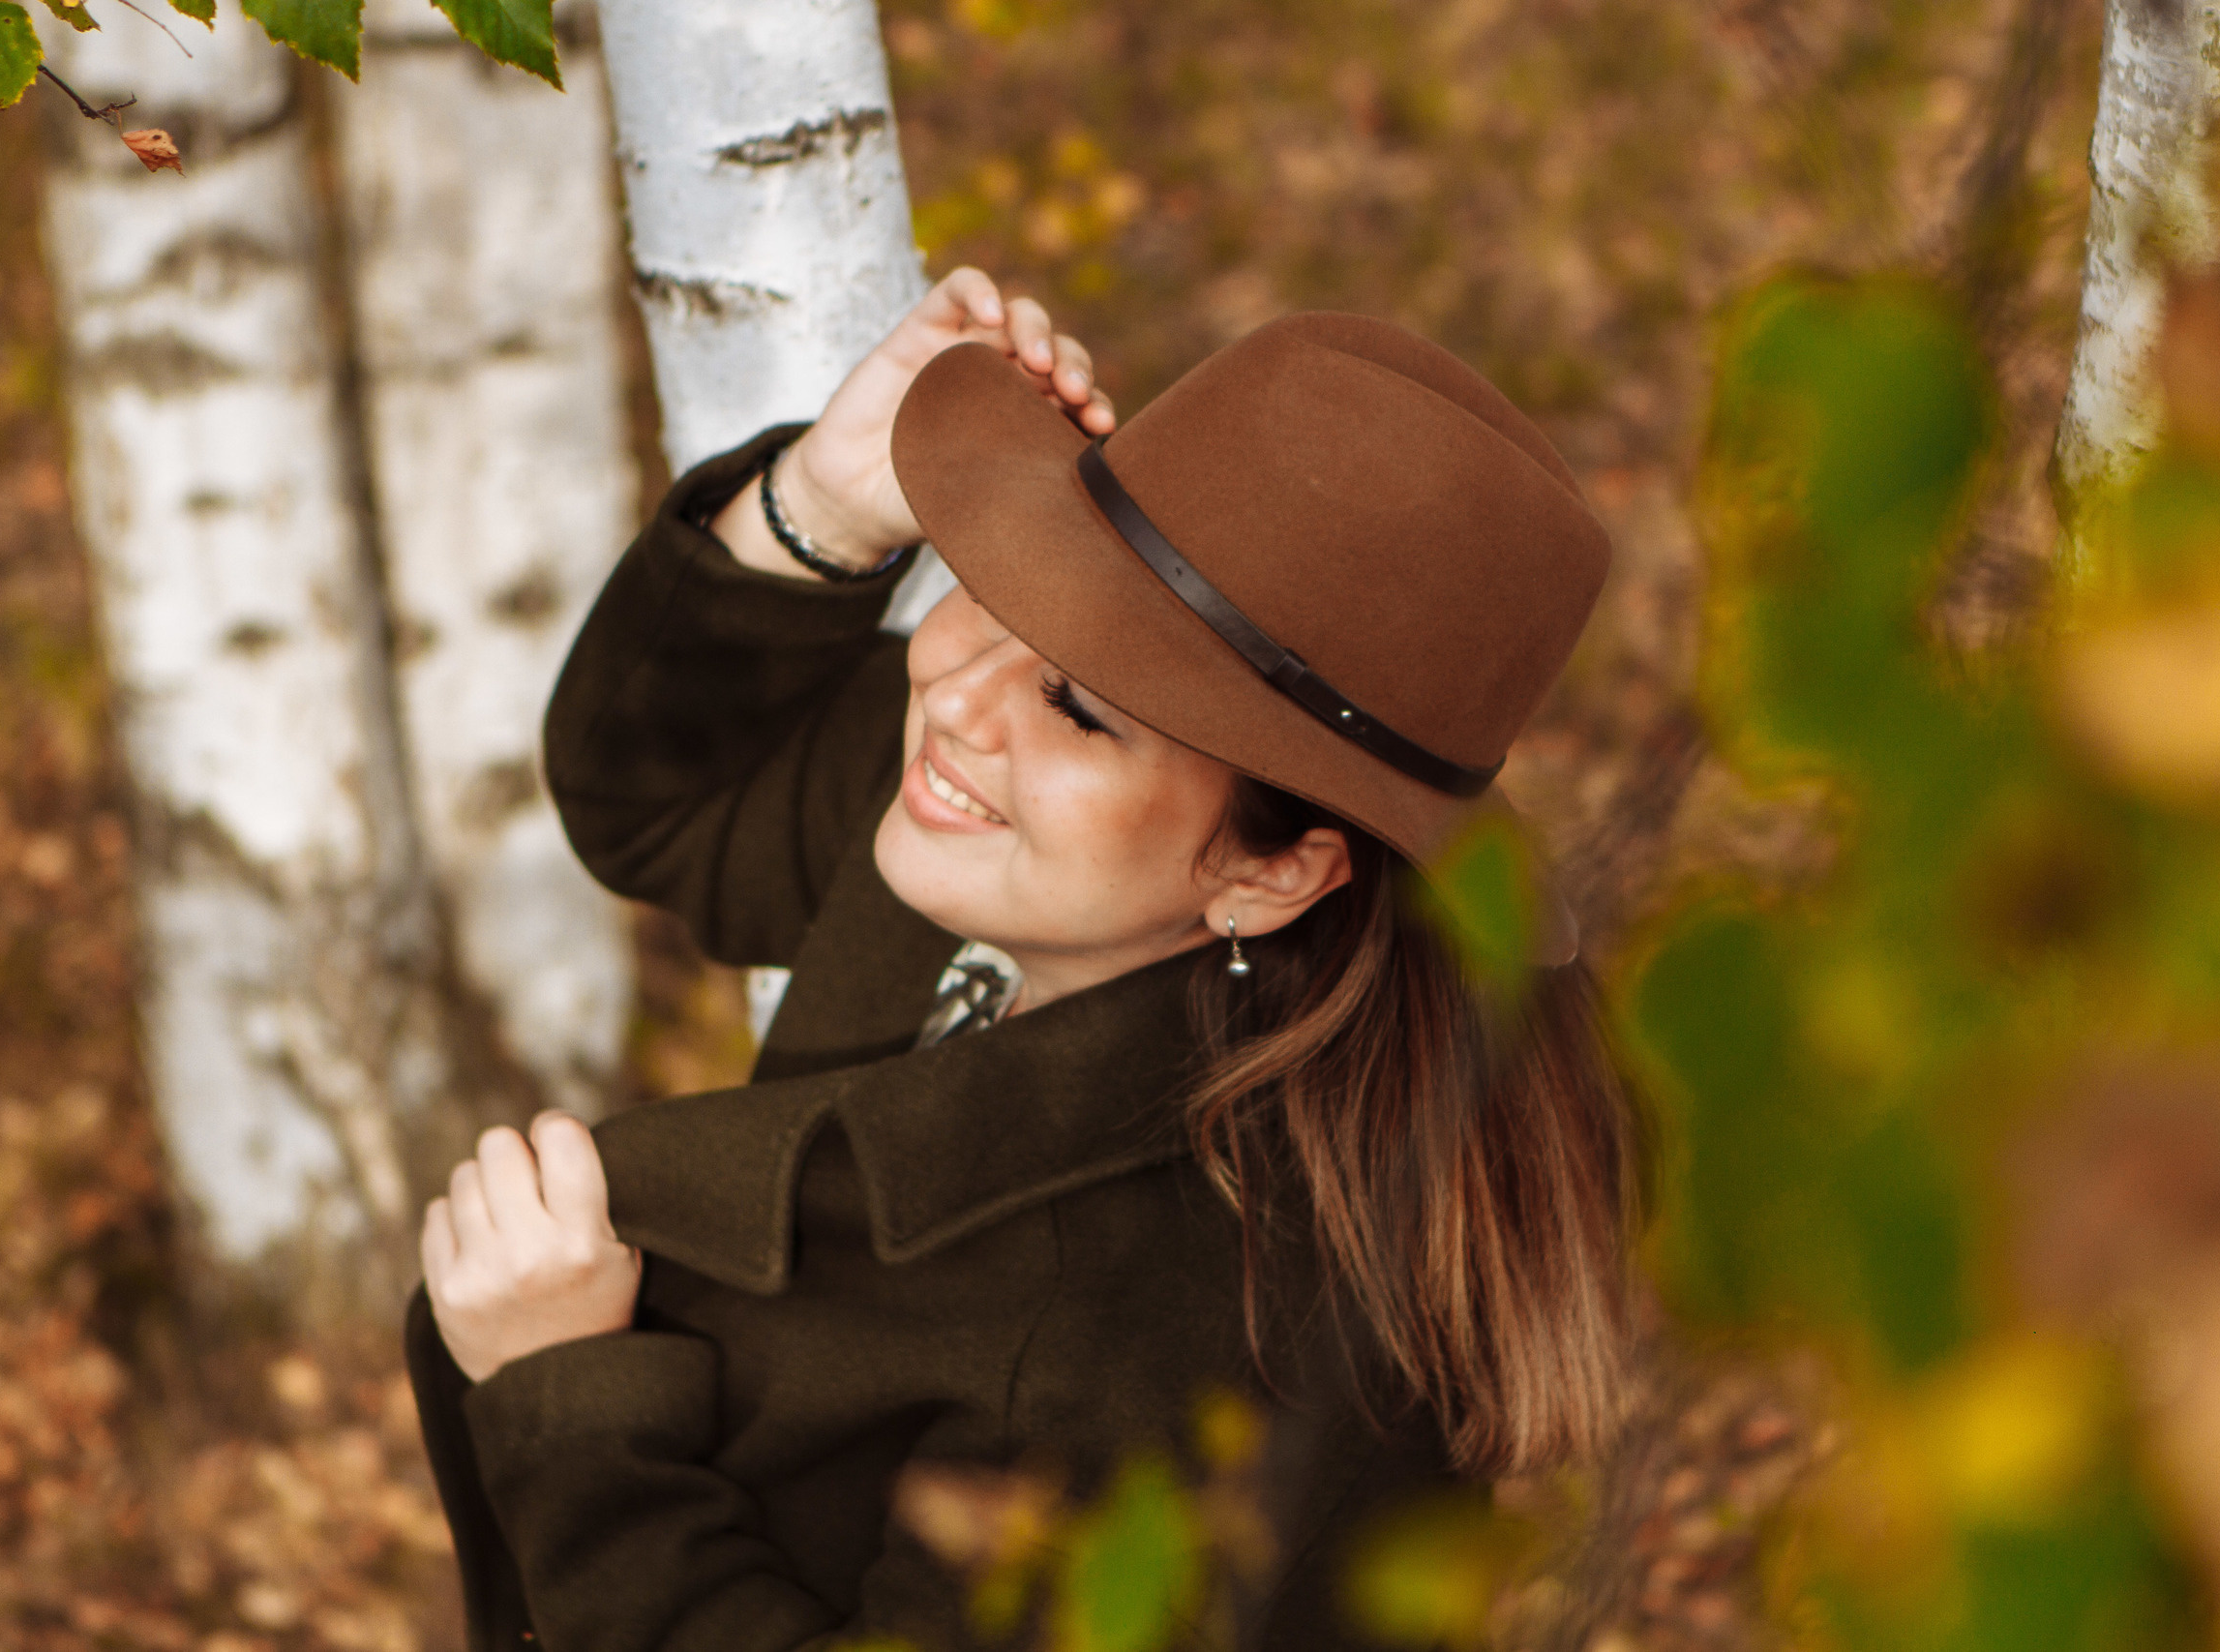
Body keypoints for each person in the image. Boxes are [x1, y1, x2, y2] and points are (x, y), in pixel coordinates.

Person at [405, 268, 1646, 1652]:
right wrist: (822, 510)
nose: (957, 699)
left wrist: (572, 1408)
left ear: (1273, 869)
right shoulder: (1035, 883)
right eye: (995, 592)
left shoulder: (1187, 1346)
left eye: (1081, 705)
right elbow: (666, 805)